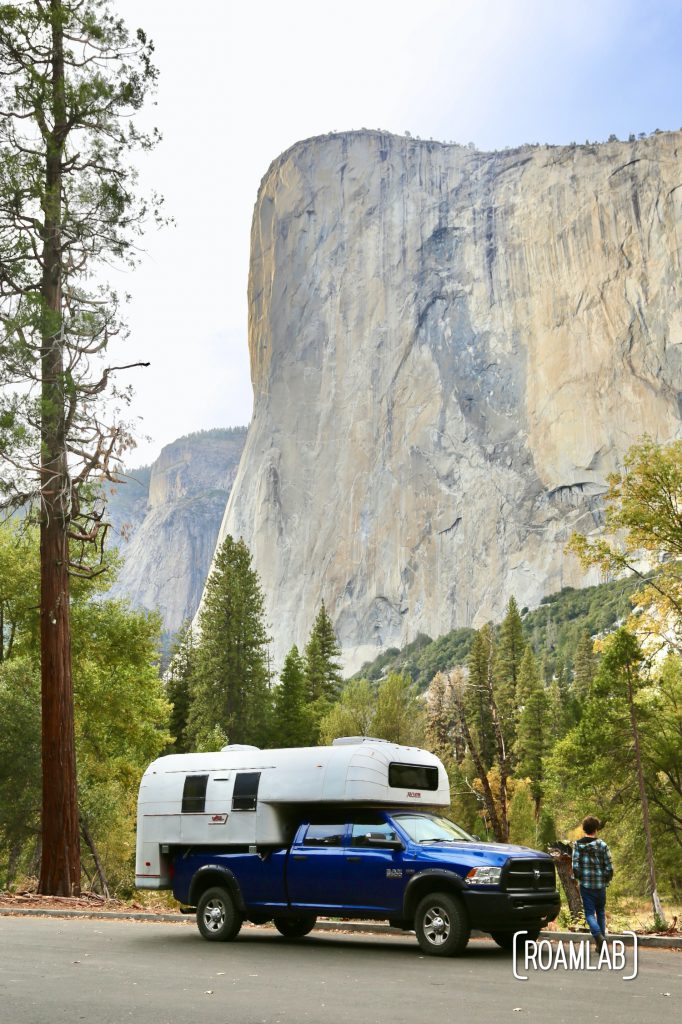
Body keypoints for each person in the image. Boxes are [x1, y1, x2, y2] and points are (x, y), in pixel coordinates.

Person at [572, 815, 613, 950]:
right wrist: (606, 879)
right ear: (596, 829)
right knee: (600, 912)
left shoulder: (577, 845)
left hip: (586, 885)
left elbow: (575, 866)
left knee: (589, 913)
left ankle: (598, 937)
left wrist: (580, 878)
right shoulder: (602, 845)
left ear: (584, 829)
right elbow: (609, 867)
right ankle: (601, 942)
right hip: (600, 885)